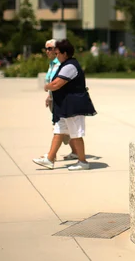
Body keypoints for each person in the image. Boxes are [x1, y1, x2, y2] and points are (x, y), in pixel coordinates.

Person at [34, 39, 97, 171]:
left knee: (76, 134)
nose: (56, 56)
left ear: (65, 53)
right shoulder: (65, 65)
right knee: (58, 130)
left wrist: (47, 87)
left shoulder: (70, 66)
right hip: (65, 106)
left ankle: (83, 162)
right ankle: (50, 159)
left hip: (73, 106)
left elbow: (57, 84)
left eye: (57, 53)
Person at [44, 39, 78, 159]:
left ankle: (51, 156)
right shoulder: (52, 64)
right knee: (64, 128)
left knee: (61, 127)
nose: (47, 51)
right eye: (46, 48)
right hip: (55, 98)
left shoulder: (62, 64)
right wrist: (49, 95)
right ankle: (75, 152)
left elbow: (58, 83)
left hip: (63, 100)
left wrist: (48, 88)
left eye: (50, 48)